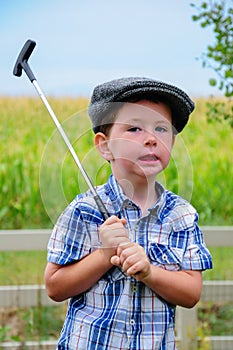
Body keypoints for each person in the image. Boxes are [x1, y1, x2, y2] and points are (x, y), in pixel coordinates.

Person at [44, 77, 212, 350]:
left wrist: (149, 272)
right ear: (104, 145)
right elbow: (55, 286)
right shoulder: (84, 211)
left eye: (161, 128)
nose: (151, 139)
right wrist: (104, 254)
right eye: (134, 128)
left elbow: (192, 293)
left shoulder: (181, 215)